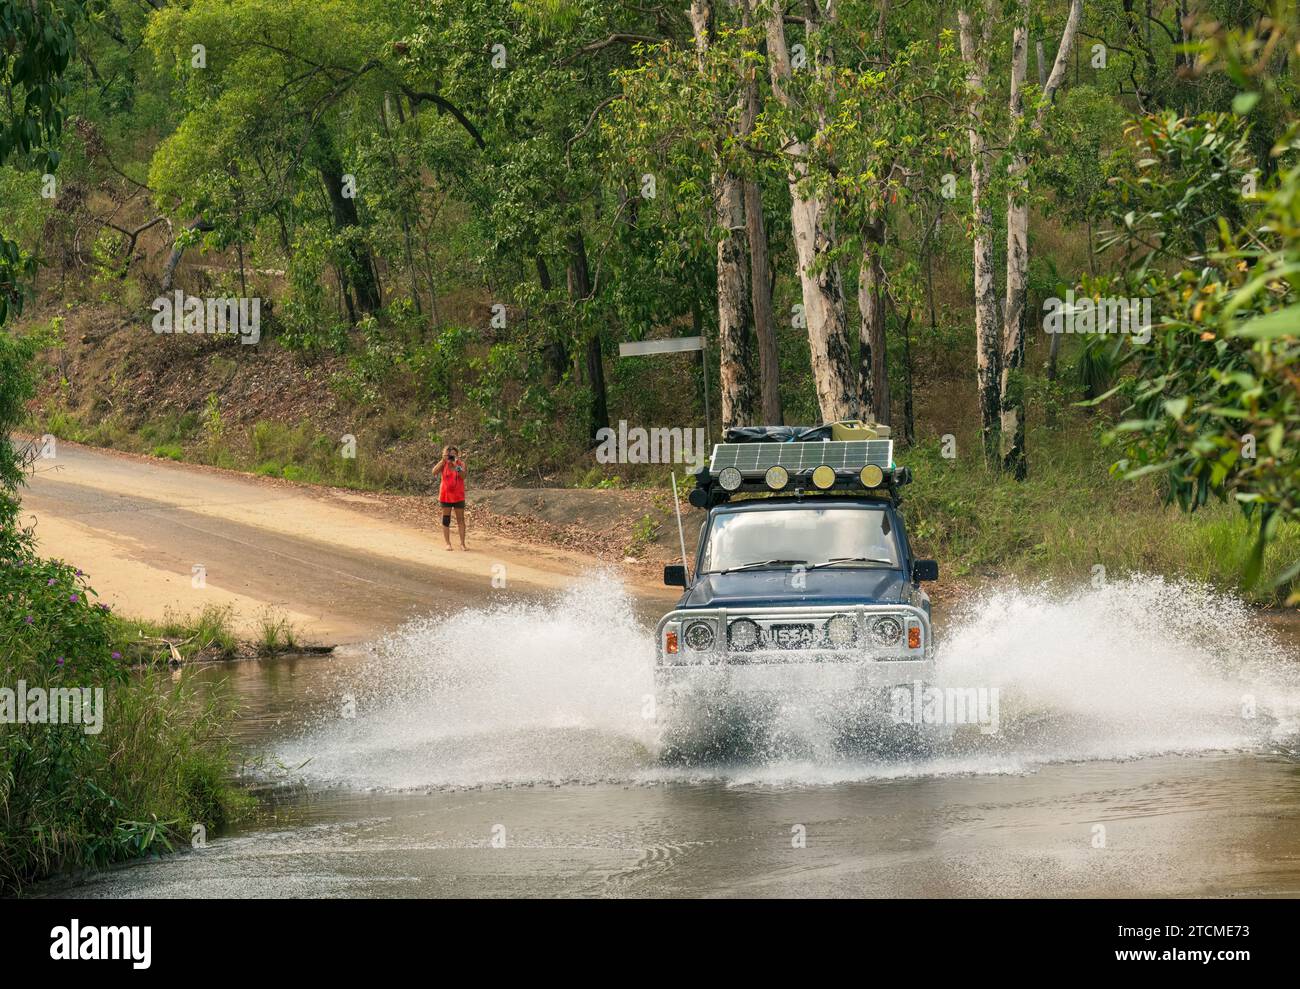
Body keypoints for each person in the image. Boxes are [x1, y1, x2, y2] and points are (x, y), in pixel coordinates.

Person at [432, 445, 468, 550]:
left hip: (458, 496)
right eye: (449, 455)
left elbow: (463, 476)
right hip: (446, 496)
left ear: (457, 455)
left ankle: (462, 544)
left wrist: (455, 464)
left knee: (460, 519)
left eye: (453, 454)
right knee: (446, 519)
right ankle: (448, 543)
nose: (451, 456)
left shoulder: (461, 464)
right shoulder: (443, 464)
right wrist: (442, 460)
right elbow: (434, 472)